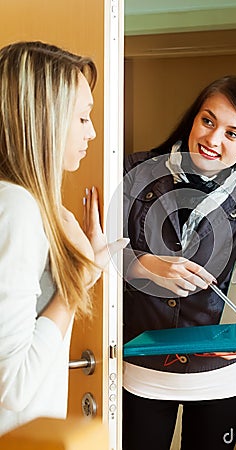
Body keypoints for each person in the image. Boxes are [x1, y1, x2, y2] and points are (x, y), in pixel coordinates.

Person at [122, 76, 236, 450]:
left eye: (232, 133)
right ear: (193, 120)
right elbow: (98, 253)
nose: (212, 140)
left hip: (218, 378)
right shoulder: (135, 170)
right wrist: (143, 265)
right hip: (142, 371)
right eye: (208, 121)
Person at [0, 41, 126, 436]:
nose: (92, 132)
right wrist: (76, 285)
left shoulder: (27, 205)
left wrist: (86, 269)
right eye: (84, 117)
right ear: (46, 120)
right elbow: (15, 385)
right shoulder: (17, 208)